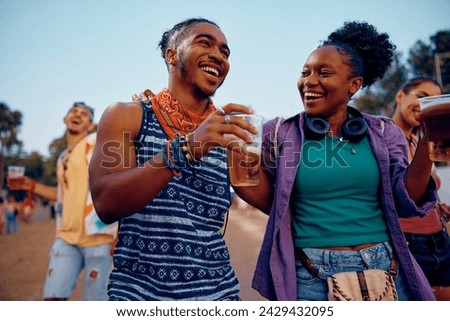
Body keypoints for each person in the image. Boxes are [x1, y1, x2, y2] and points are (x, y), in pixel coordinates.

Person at [234, 21, 438, 300]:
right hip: (312, 276)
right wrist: (235, 151)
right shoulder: (279, 132)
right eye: (305, 72)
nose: (309, 81)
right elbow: (272, 201)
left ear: (354, 85)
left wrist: (430, 138)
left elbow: (408, 201)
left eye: (324, 72)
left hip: (386, 269)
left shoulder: (383, 132)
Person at [89, 17, 257, 300]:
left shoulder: (228, 134)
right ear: (171, 54)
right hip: (139, 296)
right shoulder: (128, 115)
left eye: (225, 52)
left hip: (218, 294)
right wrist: (185, 150)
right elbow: (106, 204)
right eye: (205, 43)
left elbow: (274, 200)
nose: (218, 55)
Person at [7, 102, 116, 300]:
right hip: (66, 237)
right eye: (73, 112)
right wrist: (29, 186)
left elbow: (115, 180)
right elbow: (62, 195)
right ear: (65, 119)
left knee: (96, 303)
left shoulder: (95, 143)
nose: (77, 115)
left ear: (91, 126)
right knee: (52, 298)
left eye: (84, 114)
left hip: (99, 237)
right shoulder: (62, 158)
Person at [392, 76, 450, 300]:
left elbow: (422, 191)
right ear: (400, 96)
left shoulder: (421, 142)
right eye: (423, 97)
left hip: (438, 237)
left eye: (435, 101)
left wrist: (437, 207)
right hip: (407, 242)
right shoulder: (380, 138)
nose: (427, 106)